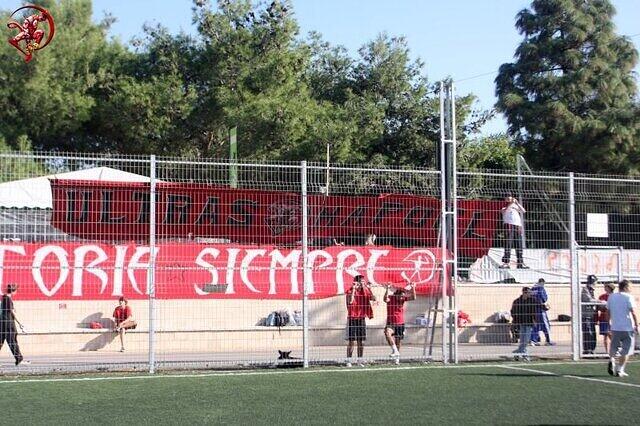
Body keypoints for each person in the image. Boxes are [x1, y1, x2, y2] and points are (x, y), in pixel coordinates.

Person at [606, 280, 638, 378]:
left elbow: (608, 311)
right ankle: (620, 370)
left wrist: (609, 324)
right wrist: (637, 325)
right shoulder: (629, 297)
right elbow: (633, 312)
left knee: (614, 347)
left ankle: (612, 359)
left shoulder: (611, 297)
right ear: (626, 287)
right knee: (626, 350)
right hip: (627, 327)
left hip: (615, 327)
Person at [345, 275, 376, 367]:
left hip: (361, 318)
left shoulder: (365, 291)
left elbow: (373, 298)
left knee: (361, 341)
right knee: (351, 341)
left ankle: (360, 360)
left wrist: (369, 289)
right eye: (361, 282)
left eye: (364, 282)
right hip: (352, 318)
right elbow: (350, 302)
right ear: (356, 282)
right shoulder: (350, 291)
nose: (363, 283)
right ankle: (349, 360)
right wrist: (354, 289)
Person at [383, 283, 416, 365]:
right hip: (390, 322)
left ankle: (396, 358)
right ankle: (394, 350)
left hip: (400, 323)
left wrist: (413, 288)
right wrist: (387, 289)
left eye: (403, 296)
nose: (402, 298)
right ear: (397, 294)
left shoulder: (403, 299)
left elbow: (413, 297)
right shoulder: (391, 298)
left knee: (398, 341)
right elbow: (385, 299)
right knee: (387, 333)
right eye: (401, 296)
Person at [510, 287, 540, 361]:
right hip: (521, 323)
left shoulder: (532, 300)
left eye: (530, 293)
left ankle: (517, 353)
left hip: (529, 323)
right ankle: (523, 355)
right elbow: (512, 311)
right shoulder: (517, 301)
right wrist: (516, 320)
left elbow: (539, 306)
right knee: (523, 340)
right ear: (524, 292)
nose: (530, 294)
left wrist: (546, 307)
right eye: (529, 293)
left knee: (526, 341)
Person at [0, 284, 27, 365]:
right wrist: (20, 324)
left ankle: (19, 358)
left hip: (2, 322)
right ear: (14, 291)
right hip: (8, 323)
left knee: (1, 341)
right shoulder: (7, 299)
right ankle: (19, 359)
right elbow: (11, 312)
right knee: (12, 341)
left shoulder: (4, 298)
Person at [500, 196, 528, 269]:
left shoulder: (515, 205)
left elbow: (523, 211)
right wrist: (510, 205)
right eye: (508, 198)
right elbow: (503, 211)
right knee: (508, 243)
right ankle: (506, 262)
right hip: (509, 225)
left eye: (511, 198)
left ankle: (520, 262)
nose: (510, 200)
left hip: (517, 225)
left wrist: (517, 203)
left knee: (519, 244)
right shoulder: (504, 206)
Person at [530, 278, 554, 346]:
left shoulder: (532, 289)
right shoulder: (541, 288)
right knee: (546, 325)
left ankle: (533, 340)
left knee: (535, 325)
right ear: (542, 282)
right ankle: (548, 340)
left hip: (533, 309)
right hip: (540, 309)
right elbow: (544, 298)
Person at [581, 275, 601, 355]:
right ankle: (587, 350)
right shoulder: (585, 290)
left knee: (592, 333)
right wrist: (599, 302)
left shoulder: (591, 290)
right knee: (588, 333)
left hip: (591, 315)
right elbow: (589, 300)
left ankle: (591, 349)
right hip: (586, 315)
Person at [597, 282, 615, 354]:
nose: (605, 288)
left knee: (611, 334)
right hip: (603, 318)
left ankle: (615, 349)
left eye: (606, 287)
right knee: (605, 335)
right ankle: (607, 352)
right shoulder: (602, 296)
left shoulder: (614, 296)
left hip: (612, 318)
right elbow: (598, 307)